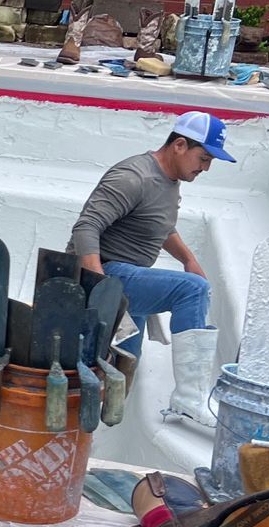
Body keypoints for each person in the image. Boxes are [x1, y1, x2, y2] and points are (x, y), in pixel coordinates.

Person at [69, 111, 236, 426]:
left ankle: (84, 437)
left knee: (121, 374)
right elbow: (86, 228)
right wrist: (99, 288)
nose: (206, 167)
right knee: (192, 290)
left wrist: (188, 258)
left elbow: (161, 227)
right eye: (203, 158)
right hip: (107, 275)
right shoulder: (134, 177)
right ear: (180, 145)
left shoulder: (169, 181)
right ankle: (189, 398)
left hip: (128, 279)